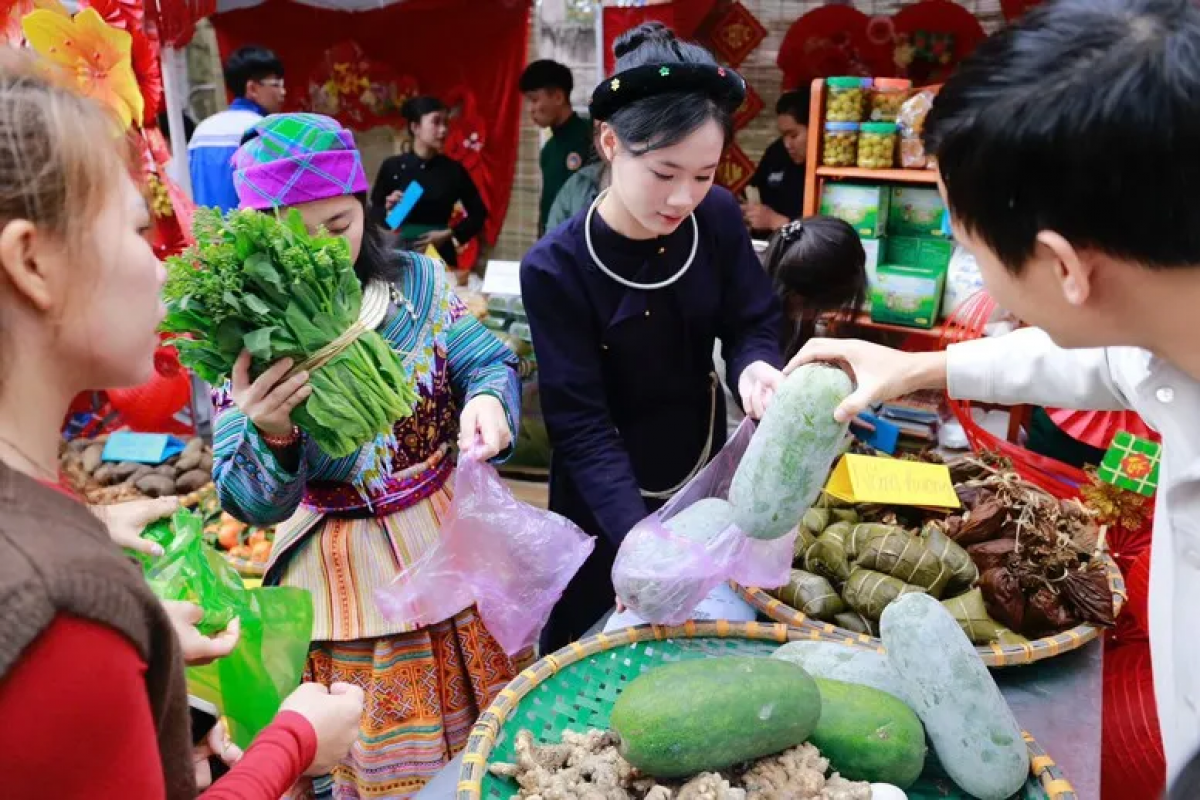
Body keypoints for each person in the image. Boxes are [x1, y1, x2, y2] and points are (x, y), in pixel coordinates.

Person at [782, 0, 1200, 783]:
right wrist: (918, 367)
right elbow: (1112, 362)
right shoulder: (1167, 331)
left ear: (1063, 266)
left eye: (967, 246)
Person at [0, 52, 361, 799]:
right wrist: (293, 745)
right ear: (33, 263)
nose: (164, 269)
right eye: (139, 231)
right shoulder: (62, 599)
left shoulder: (61, 555)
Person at [217, 112, 524, 798]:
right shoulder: (240, 330)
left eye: (339, 226)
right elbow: (247, 503)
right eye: (296, 235)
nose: (326, 251)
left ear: (364, 206)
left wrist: (487, 403)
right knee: (378, 762)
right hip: (341, 573)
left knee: (489, 743)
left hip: (447, 537)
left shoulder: (414, 282)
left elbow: (484, 359)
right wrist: (270, 432)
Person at [521, 23, 785, 651]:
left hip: (700, 463)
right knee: (590, 637)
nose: (682, 197)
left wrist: (754, 366)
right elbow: (579, 424)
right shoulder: (555, 267)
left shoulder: (716, 217)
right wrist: (637, 540)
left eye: (703, 174)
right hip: (600, 493)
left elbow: (752, 319)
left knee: (700, 628)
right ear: (610, 143)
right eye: (665, 172)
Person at [716, 216, 867, 430]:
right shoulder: (739, 317)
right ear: (798, 298)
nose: (821, 316)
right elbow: (733, 423)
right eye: (821, 309)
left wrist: (832, 415)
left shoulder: (789, 265)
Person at [370, 95, 487, 268]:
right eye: (436, 122)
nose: (443, 130)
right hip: (400, 254)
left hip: (441, 254)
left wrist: (449, 234)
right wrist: (388, 212)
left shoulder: (453, 170)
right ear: (415, 127)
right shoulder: (392, 167)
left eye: (446, 123)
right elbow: (374, 215)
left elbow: (479, 213)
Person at [189, 46, 286, 212]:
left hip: (205, 234)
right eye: (276, 85)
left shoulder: (202, 131)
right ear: (253, 89)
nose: (283, 92)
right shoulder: (263, 130)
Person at [519, 59, 594, 235]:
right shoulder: (548, 150)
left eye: (534, 99)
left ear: (558, 97)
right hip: (554, 245)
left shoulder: (592, 137)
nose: (530, 109)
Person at [742, 88, 810, 232]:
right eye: (783, 135)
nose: (787, 145)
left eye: (793, 135)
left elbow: (824, 236)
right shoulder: (777, 152)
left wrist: (776, 221)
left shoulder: (832, 170)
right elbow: (754, 188)